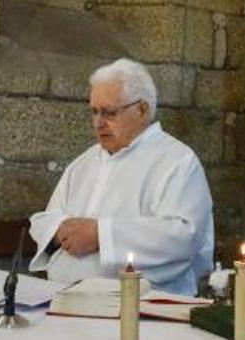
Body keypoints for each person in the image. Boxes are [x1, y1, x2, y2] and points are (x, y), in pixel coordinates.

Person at [28, 58, 214, 295]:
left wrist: (100, 236)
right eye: (94, 112)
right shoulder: (83, 163)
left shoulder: (178, 162)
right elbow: (46, 218)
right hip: (65, 298)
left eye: (109, 113)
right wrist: (60, 229)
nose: (98, 123)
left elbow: (183, 236)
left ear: (143, 110)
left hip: (142, 308)